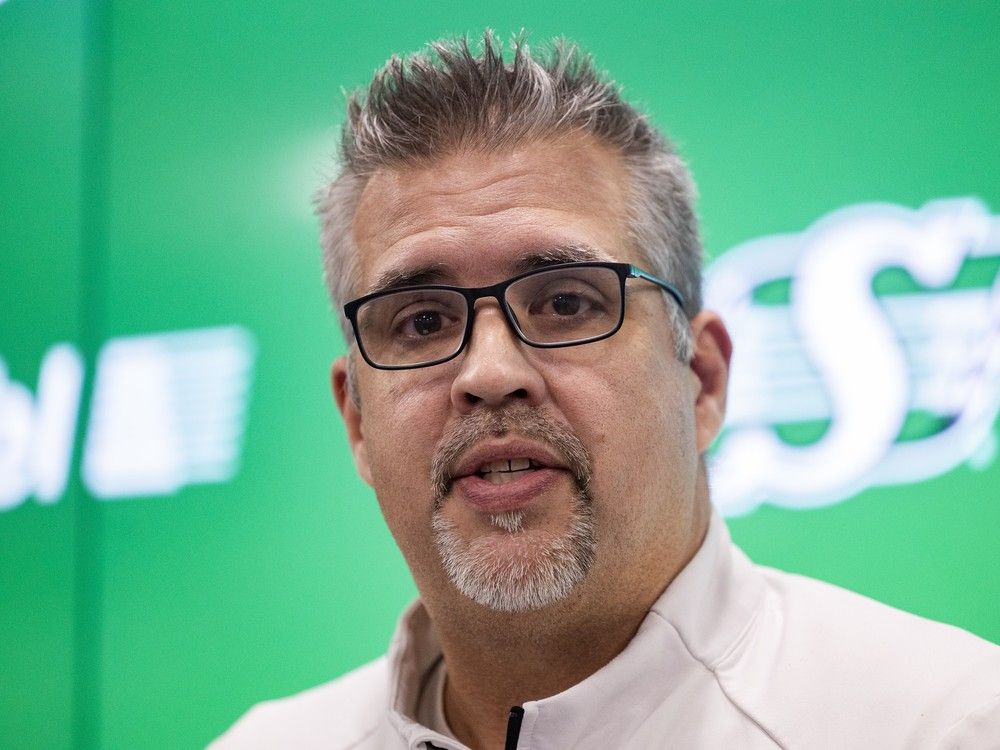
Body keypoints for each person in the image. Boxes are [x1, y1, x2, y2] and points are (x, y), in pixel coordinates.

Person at [213, 33, 1000, 749]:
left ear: (702, 380)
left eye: (565, 303)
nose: (490, 373)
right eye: (420, 322)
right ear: (356, 419)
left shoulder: (942, 722)